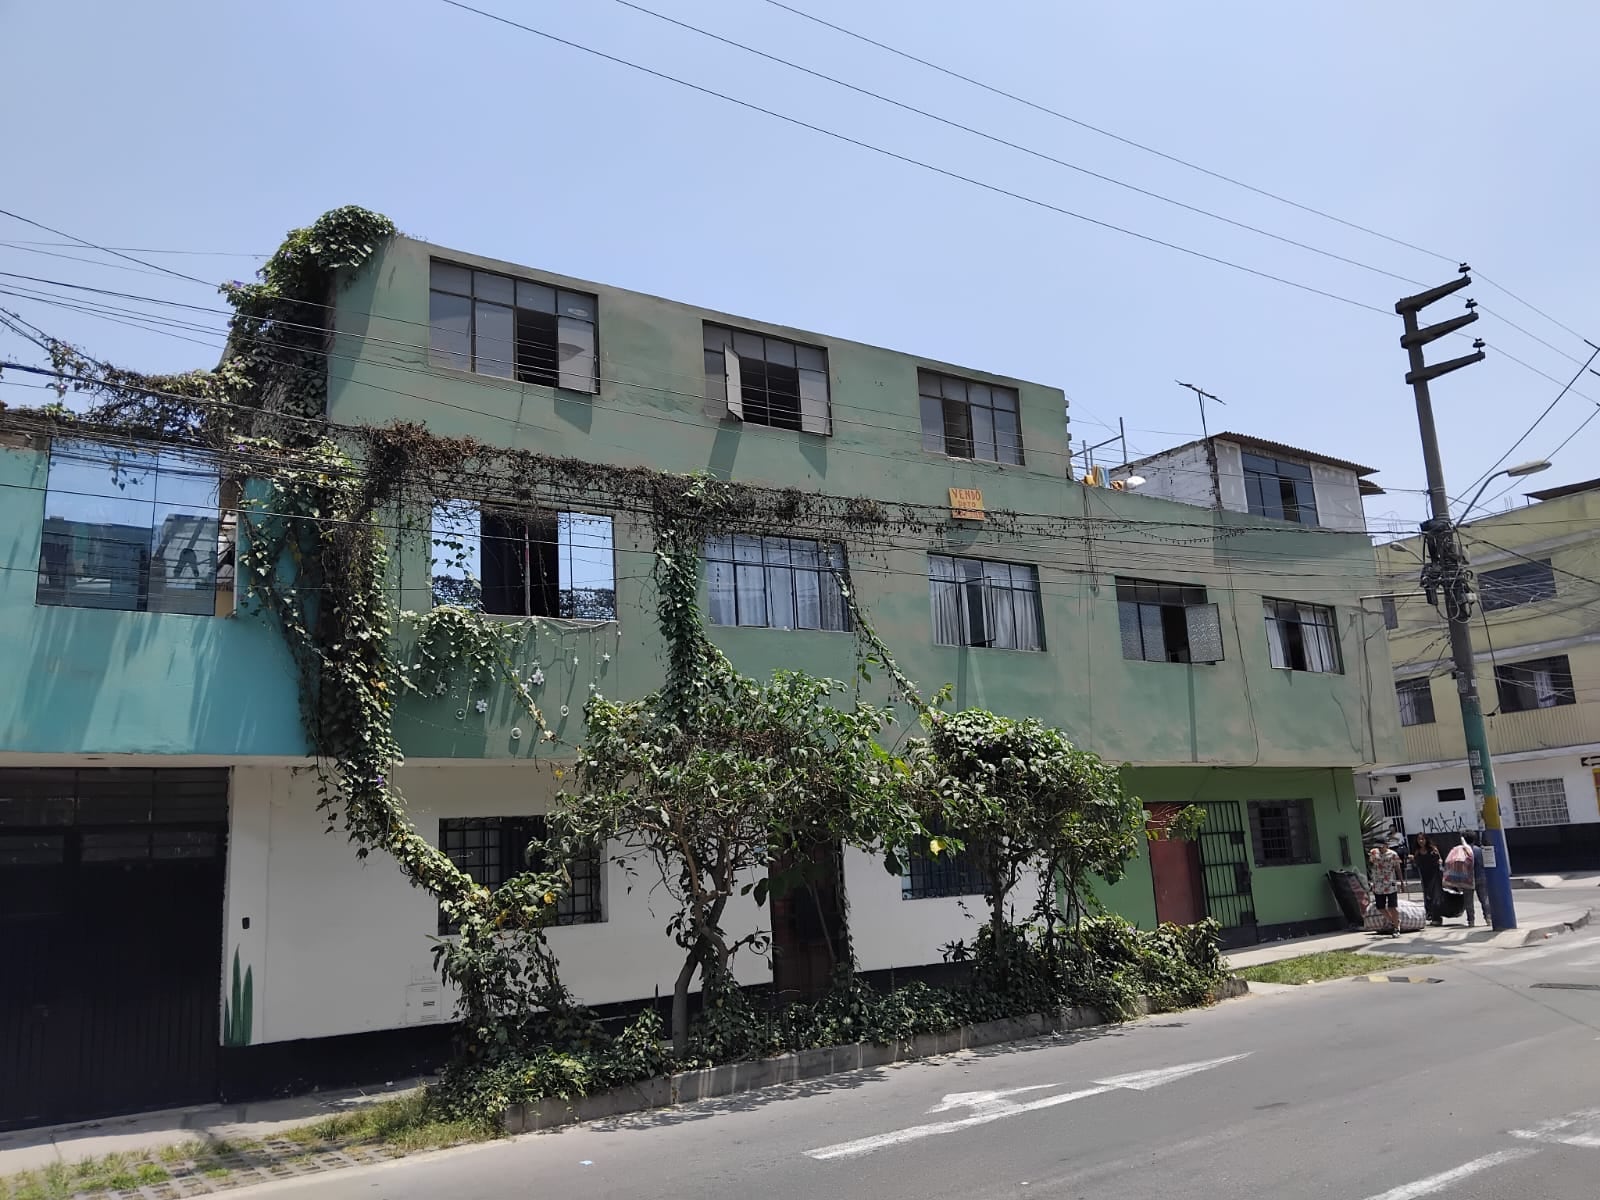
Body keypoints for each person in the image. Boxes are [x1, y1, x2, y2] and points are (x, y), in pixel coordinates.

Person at [1368, 842, 1402, 936]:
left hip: (1390, 884)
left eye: (1382, 846)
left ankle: (1396, 928)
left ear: (1386, 845)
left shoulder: (1393, 854)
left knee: (1392, 906)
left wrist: (1402, 882)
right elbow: (1371, 864)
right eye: (1378, 846)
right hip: (1378, 884)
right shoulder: (1374, 852)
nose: (1380, 848)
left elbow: (1398, 868)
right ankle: (1394, 921)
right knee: (1380, 907)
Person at [1461, 831, 1492, 927]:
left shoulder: (1463, 851)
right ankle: (1488, 918)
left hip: (1467, 878)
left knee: (1468, 901)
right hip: (1481, 876)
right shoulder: (1479, 850)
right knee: (1484, 898)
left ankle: (1471, 921)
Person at [1414, 834, 1444, 926]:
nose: (1421, 841)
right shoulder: (1417, 852)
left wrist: (1439, 861)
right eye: (1419, 839)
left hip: (1434, 875)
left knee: (1435, 896)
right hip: (1425, 877)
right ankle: (1430, 915)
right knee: (1428, 897)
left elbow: (1440, 860)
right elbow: (1417, 864)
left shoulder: (1432, 850)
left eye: (1422, 839)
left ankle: (1437, 918)